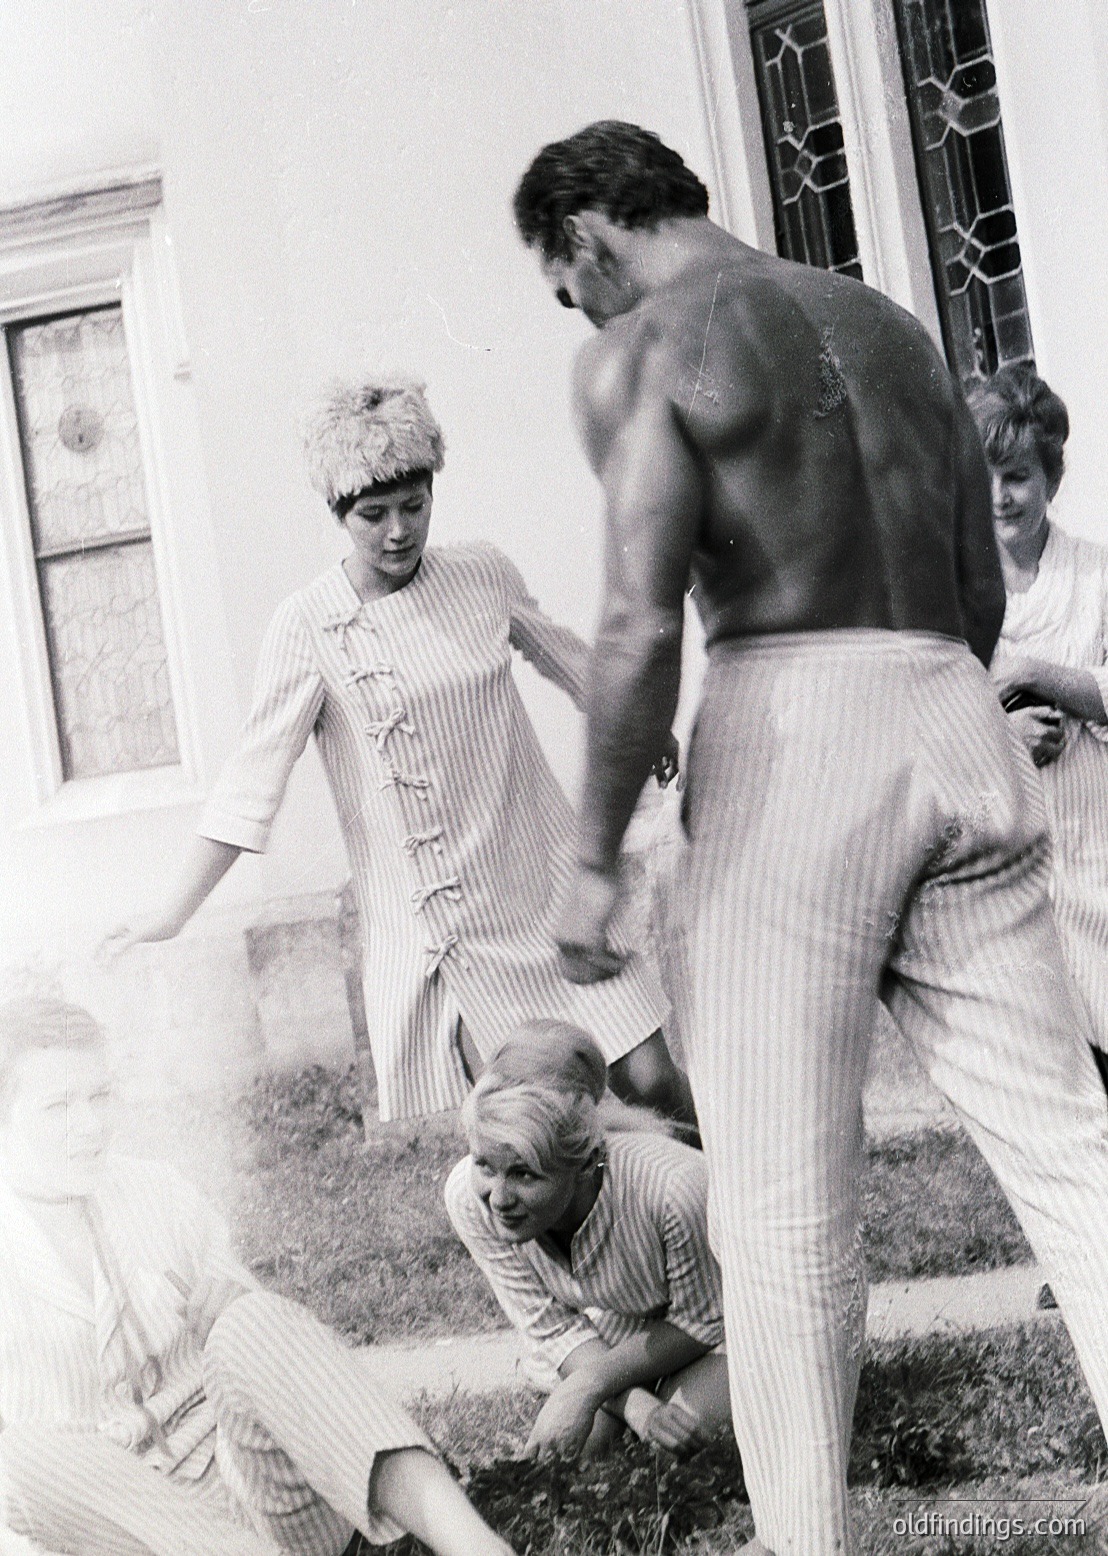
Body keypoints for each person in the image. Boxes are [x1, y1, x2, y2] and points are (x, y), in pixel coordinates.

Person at [512, 119, 1108, 1555]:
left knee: (777, 1212)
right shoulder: (897, 332)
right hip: (950, 706)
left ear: (591, 234)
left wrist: (592, 859)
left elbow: (642, 615)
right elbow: (973, 593)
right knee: (1077, 1156)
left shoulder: (645, 345)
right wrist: (928, 723)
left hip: (796, 716)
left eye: (564, 285)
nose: (577, 314)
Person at [102, 376, 693, 1128]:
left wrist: (642, 727)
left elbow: (569, 658)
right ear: (337, 513)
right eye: (372, 515)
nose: (397, 531)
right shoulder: (308, 625)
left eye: (414, 505)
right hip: (457, 929)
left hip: (544, 882)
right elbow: (249, 784)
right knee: (539, 1126)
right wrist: (173, 910)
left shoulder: (480, 572)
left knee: (654, 1083)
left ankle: (716, 1237)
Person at [0, 997, 515, 1556]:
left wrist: (232, 1305)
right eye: (58, 1106)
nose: (91, 1125)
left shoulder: (154, 1191)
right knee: (26, 1454)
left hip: (251, 1489)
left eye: (100, 1096)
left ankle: (475, 1547)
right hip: (116, 1528)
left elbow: (269, 1359)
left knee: (253, 1319)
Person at [444, 1020, 730, 1463]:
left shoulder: (673, 1185)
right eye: (485, 1165)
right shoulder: (469, 1197)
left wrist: (588, 1387)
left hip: (722, 1322)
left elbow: (705, 1318)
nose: (498, 1199)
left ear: (585, 1162)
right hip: (617, 1331)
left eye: (524, 1173)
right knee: (574, 1455)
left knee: (679, 1447)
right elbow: (552, 1326)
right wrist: (633, 1405)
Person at [970, 364, 1108, 1093]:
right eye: (987, 476)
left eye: (1018, 474)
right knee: (1055, 1084)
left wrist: (1036, 674)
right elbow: (935, 723)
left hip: (1099, 850)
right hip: (1015, 869)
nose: (1001, 496)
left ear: (1050, 476)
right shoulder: (960, 596)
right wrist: (1005, 739)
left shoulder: (1096, 578)